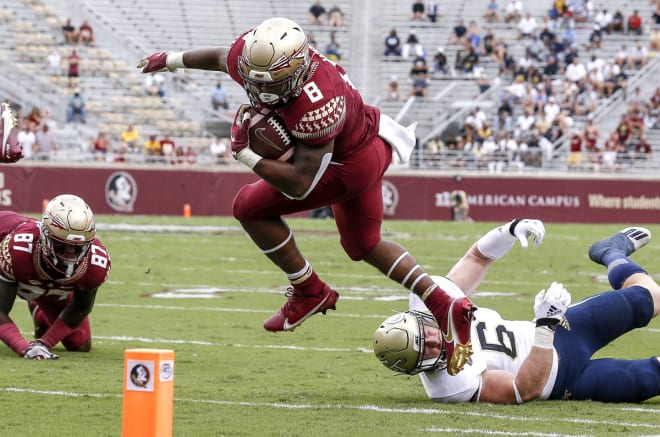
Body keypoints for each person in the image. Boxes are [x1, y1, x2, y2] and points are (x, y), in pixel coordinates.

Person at [137, 17, 476, 375]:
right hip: (365, 139)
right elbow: (222, 58)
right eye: (254, 82)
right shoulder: (255, 59)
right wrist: (169, 59)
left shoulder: (318, 102)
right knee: (364, 244)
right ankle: (444, 303)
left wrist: (245, 152)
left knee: (248, 207)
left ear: (297, 72)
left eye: (273, 85)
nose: (261, 93)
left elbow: (299, 182)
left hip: (352, 161)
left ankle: (309, 290)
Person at [374, 221, 660, 403]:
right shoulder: (449, 386)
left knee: (648, 300)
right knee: (649, 379)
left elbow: (478, 257)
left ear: (422, 320)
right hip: (562, 379)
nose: (436, 344)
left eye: (428, 338)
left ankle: (612, 253)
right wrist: (544, 326)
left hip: (566, 331)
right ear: (415, 369)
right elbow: (524, 389)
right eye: (425, 352)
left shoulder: (429, 301)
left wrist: (508, 231)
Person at [0, 194, 111, 360]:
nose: (71, 253)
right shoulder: (18, 250)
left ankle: (39, 310)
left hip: (45, 283)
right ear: (45, 236)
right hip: (12, 255)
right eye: (63, 245)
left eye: (78, 247)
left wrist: (44, 344)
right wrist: (24, 348)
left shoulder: (95, 264)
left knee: (79, 343)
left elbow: (81, 308)